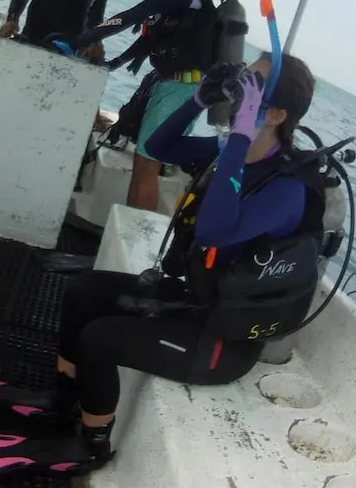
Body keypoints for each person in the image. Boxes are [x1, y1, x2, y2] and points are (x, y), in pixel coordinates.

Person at [52, 52, 319, 465]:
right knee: (82, 292)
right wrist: (198, 100)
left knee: (99, 339)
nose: (238, 93)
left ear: (276, 114)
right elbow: (159, 146)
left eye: (252, 88)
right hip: (193, 300)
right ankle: (62, 402)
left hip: (222, 344)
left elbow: (213, 231)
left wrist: (240, 139)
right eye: (242, 80)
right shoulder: (230, 150)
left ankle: (91, 446)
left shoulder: (286, 189)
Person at [70, 0, 216, 210]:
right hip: (172, 85)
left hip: (181, 88)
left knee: (148, 163)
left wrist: (84, 38)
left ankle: (134, 230)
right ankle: (128, 227)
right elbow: (149, 40)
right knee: (144, 160)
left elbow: (132, 16)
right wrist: (114, 63)